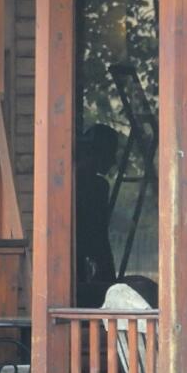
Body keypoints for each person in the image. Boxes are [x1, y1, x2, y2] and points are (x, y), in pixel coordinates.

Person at [76, 124, 119, 307]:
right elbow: (97, 233)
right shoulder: (95, 186)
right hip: (84, 259)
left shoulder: (96, 185)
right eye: (110, 153)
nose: (113, 161)